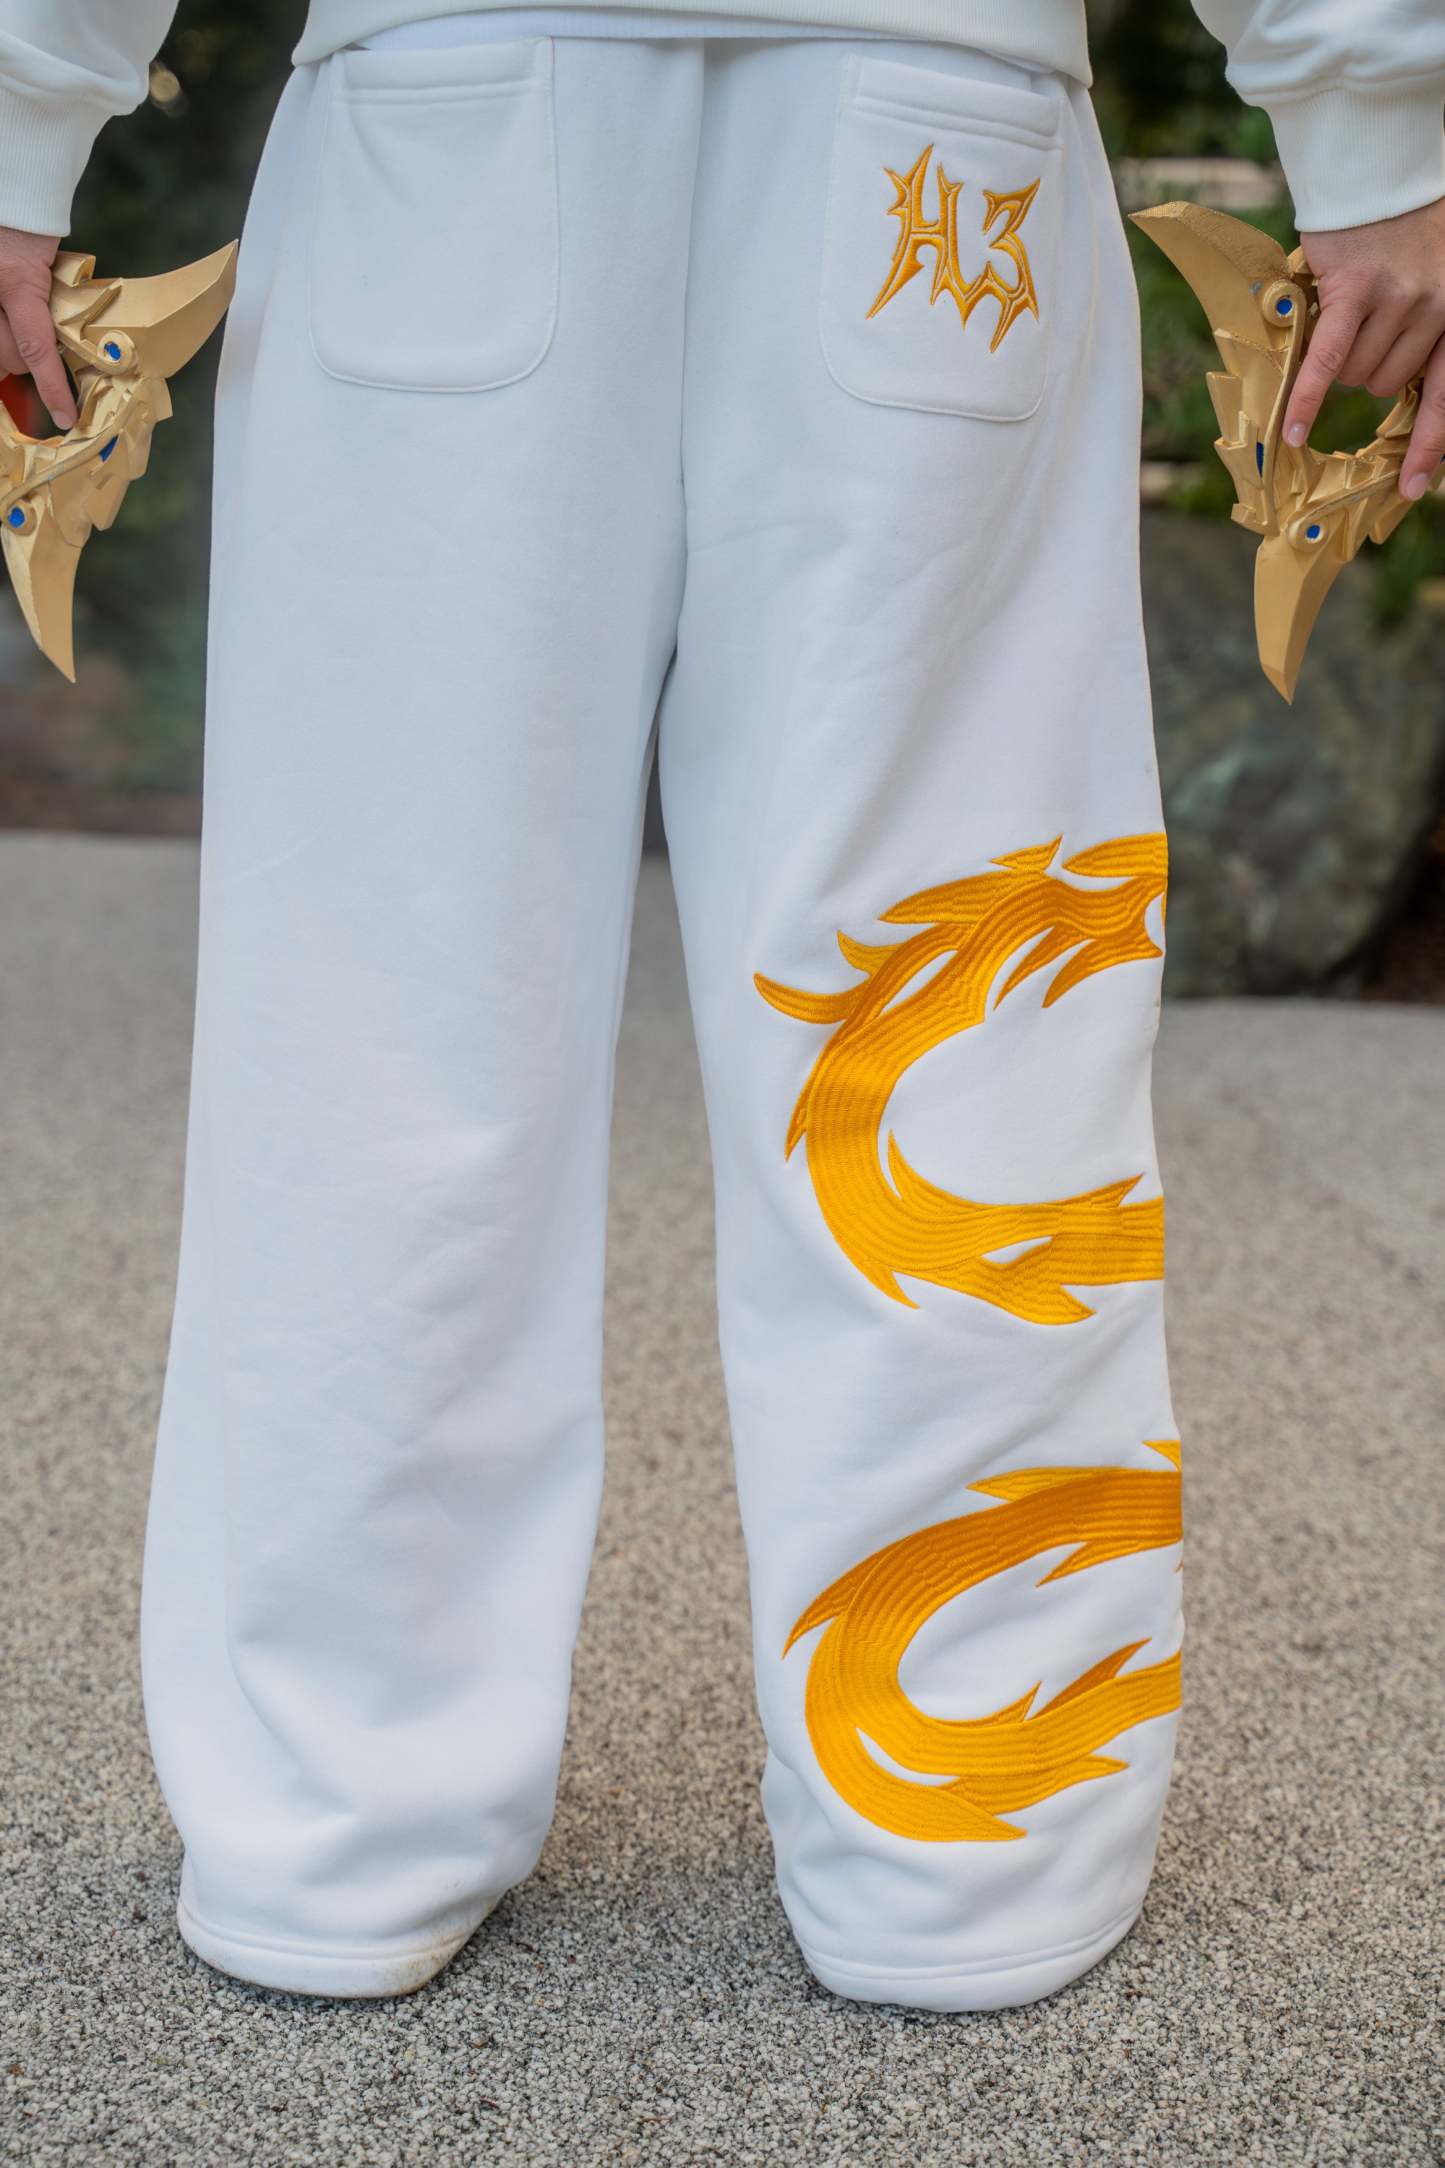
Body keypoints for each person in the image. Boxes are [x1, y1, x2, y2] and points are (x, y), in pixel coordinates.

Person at [0, 0, 1440, 2011]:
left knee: (379, 1010)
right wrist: (1379, 127)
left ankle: (335, 1835)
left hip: (443, 116)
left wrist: (20, 118)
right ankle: (966, 1856)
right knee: (947, 1022)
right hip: (936, 136)